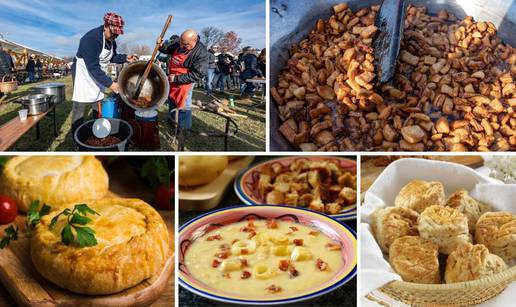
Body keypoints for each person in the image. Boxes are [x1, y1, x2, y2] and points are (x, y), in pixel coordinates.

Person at [71, 12, 137, 133]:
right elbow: (92, 66)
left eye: (117, 34)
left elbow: (111, 57)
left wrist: (125, 58)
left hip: (97, 73)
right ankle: (77, 135)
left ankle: (98, 130)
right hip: (83, 73)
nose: (115, 36)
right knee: (79, 107)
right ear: (106, 26)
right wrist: (111, 84)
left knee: (98, 101)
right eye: (113, 33)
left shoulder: (112, 41)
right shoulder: (91, 39)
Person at [159, 29, 208, 130]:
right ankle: (172, 120)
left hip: (184, 83)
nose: (181, 46)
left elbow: (199, 74)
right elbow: (167, 49)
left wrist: (177, 78)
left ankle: (183, 129)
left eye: (185, 44)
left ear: (194, 41)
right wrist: (161, 46)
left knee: (183, 105)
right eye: (181, 43)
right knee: (172, 100)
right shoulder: (180, 42)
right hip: (172, 79)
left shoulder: (201, 52)